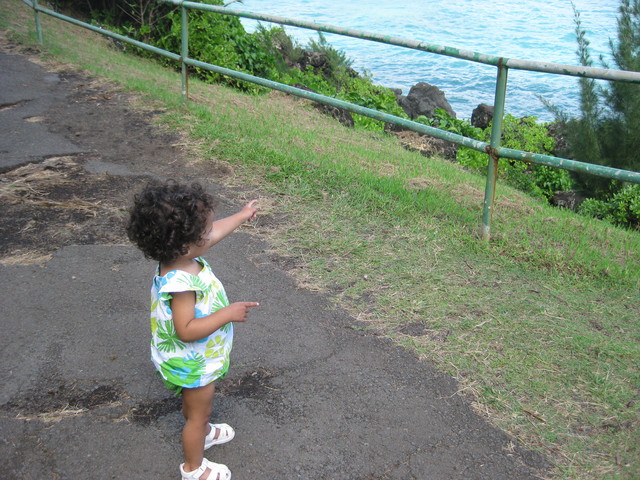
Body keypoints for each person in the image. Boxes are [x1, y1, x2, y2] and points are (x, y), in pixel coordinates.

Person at [127, 180, 259, 480]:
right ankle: (194, 468)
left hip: (190, 359)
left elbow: (213, 234)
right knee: (198, 416)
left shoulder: (178, 257)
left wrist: (240, 216)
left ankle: (203, 431)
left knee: (194, 406)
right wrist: (227, 314)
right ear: (186, 243)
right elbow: (186, 330)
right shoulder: (181, 285)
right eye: (205, 231)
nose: (210, 234)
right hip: (192, 360)